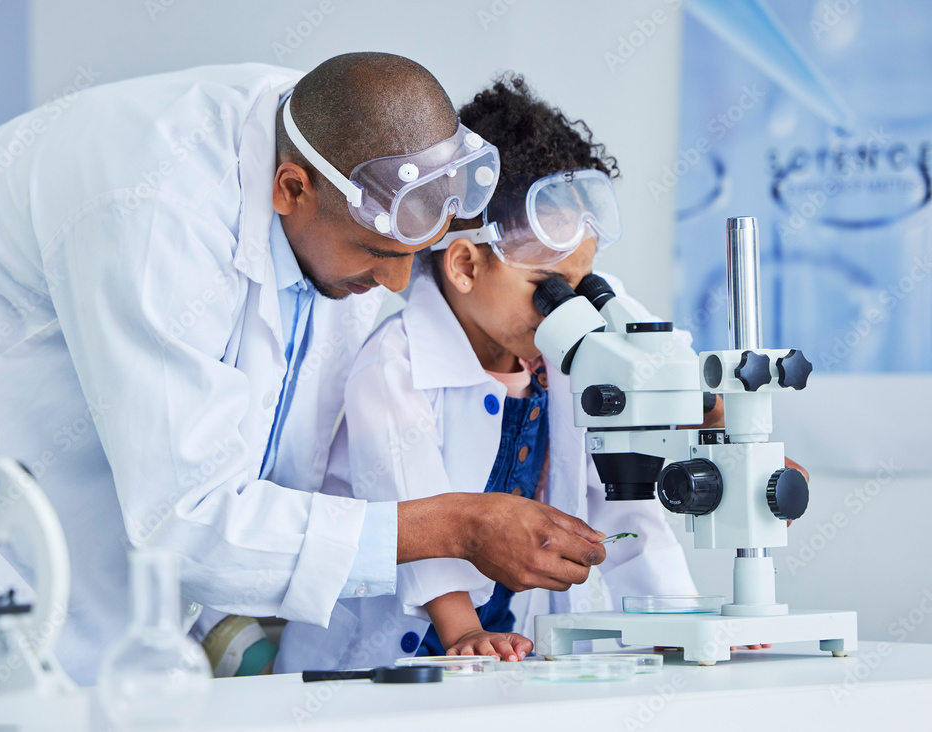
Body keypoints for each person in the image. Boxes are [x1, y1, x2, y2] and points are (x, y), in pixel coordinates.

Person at [0, 55, 606, 684]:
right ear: (291, 189)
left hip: (112, 553)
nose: (398, 281)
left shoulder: (347, 149)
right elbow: (189, 518)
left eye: (414, 254)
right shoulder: (157, 212)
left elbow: (265, 434)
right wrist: (458, 525)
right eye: (377, 252)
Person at [273, 76, 703, 673]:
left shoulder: (570, 364)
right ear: (465, 264)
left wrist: (684, 625)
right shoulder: (393, 366)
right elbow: (418, 506)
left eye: (580, 289)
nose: (568, 311)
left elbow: (628, 516)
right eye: (546, 289)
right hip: (376, 656)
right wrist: (464, 631)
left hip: (507, 651)